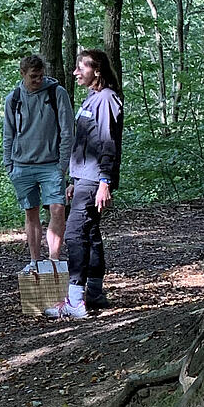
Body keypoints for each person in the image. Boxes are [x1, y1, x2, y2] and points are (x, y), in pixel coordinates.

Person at [48, 49, 123, 322]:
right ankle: (95, 292)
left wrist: (104, 182)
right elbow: (84, 143)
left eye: (82, 68)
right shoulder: (92, 98)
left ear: (98, 70)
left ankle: (75, 300)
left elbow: (107, 143)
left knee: (75, 233)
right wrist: (73, 179)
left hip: (94, 179)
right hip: (84, 178)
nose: (76, 72)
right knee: (90, 232)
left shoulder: (106, 99)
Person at [3, 53, 75, 272]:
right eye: (33, 76)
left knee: (57, 209)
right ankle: (34, 261)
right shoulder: (13, 98)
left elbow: (67, 132)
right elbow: (8, 134)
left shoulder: (56, 93)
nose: (38, 80)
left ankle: (54, 261)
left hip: (51, 164)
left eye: (41, 75)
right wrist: (9, 166)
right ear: (23, 74)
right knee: (31, 212)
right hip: (22, 165)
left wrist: (62, 167)